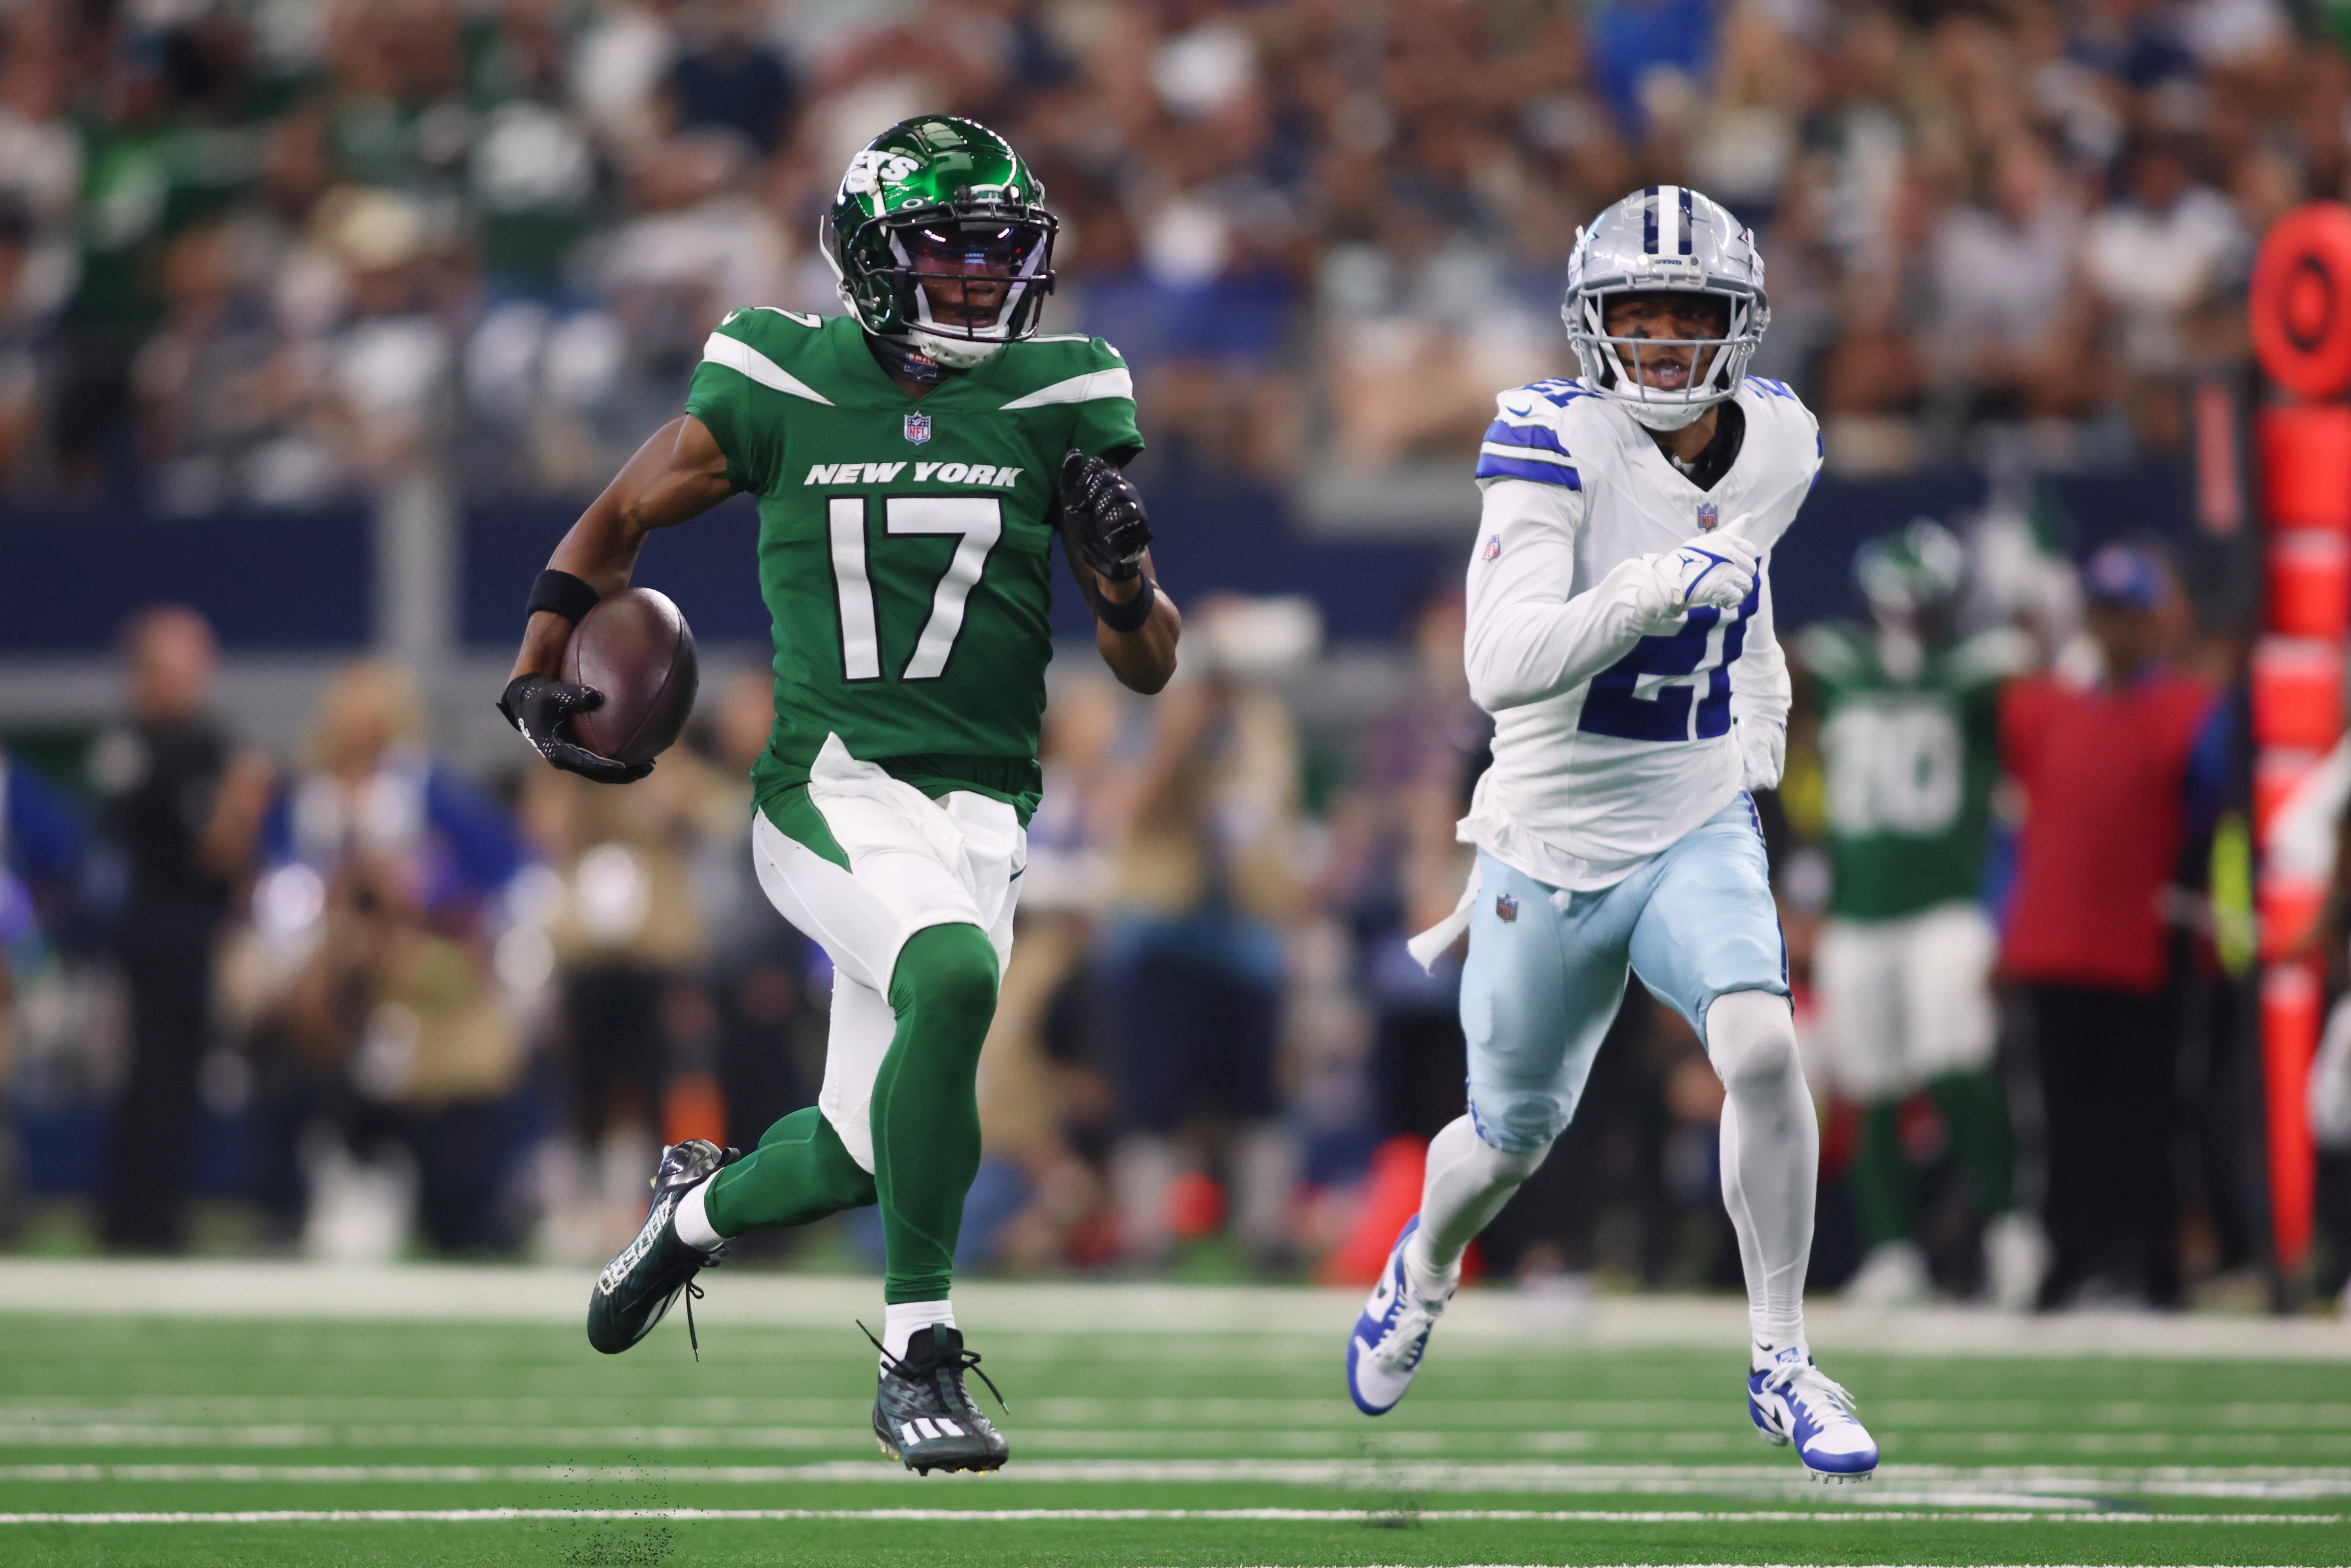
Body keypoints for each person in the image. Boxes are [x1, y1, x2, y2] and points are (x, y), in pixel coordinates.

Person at [496, 117, 1179, 1475]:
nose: (981, 283)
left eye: (998, 256)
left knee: (868, 1152)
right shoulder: (781, 377)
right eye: (946, 252)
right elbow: (623, 516)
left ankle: (689, 1219)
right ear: (870, 260)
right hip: (830, 784)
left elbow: (1149, 665)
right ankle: (919, 1357)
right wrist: (536, 661)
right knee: (955, 977)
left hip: (985, 808)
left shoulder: (1065, 391)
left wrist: (1123, 583)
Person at [1343, 185, 1880, 1483]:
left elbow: (1744, 608)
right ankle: (1422, 1265)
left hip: (1691, 812)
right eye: (1631, 316)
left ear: (1735, 326)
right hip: (1543, 835)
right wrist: (1644, 588)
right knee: (1510, 1137)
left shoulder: (1781, 442)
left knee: (1758, 1043)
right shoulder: (1545, 437)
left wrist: (1755, 732)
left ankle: (1780, 1359)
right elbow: (1497, 662)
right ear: (1589, 325)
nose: (1656, 341)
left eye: (1682, 315)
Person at [1795, 519, 2044, 1310]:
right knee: (1866, 1082)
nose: (1905, 621)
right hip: (1857, 910)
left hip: (1944, 905)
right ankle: (1891, 1251)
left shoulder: (1978, 671)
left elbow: (2030, 667)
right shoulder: (1834, 663)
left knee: (1954, 1064)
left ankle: (2010, 1229)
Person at [2000, 543, 2220, 1308]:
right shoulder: (2045, 708)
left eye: (2129, 614)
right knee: (2062, 1117)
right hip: (2056, 942)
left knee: (2147, 1115)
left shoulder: (2184, 710)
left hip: (2139, 943)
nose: (2116, 629)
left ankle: (2148, 1263)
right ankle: (2071, 1259)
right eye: (2105, 613)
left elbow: (2208, 805)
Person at [93, 607, 271, 1251]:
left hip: (196, 932)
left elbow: (235, 865)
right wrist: (241, 804)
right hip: (149, 936)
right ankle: (134, 1220)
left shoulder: (203, 741)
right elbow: (207, 848)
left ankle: (158, 1216)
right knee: (151, 1079)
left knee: (176, 1079)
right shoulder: (138, 746)